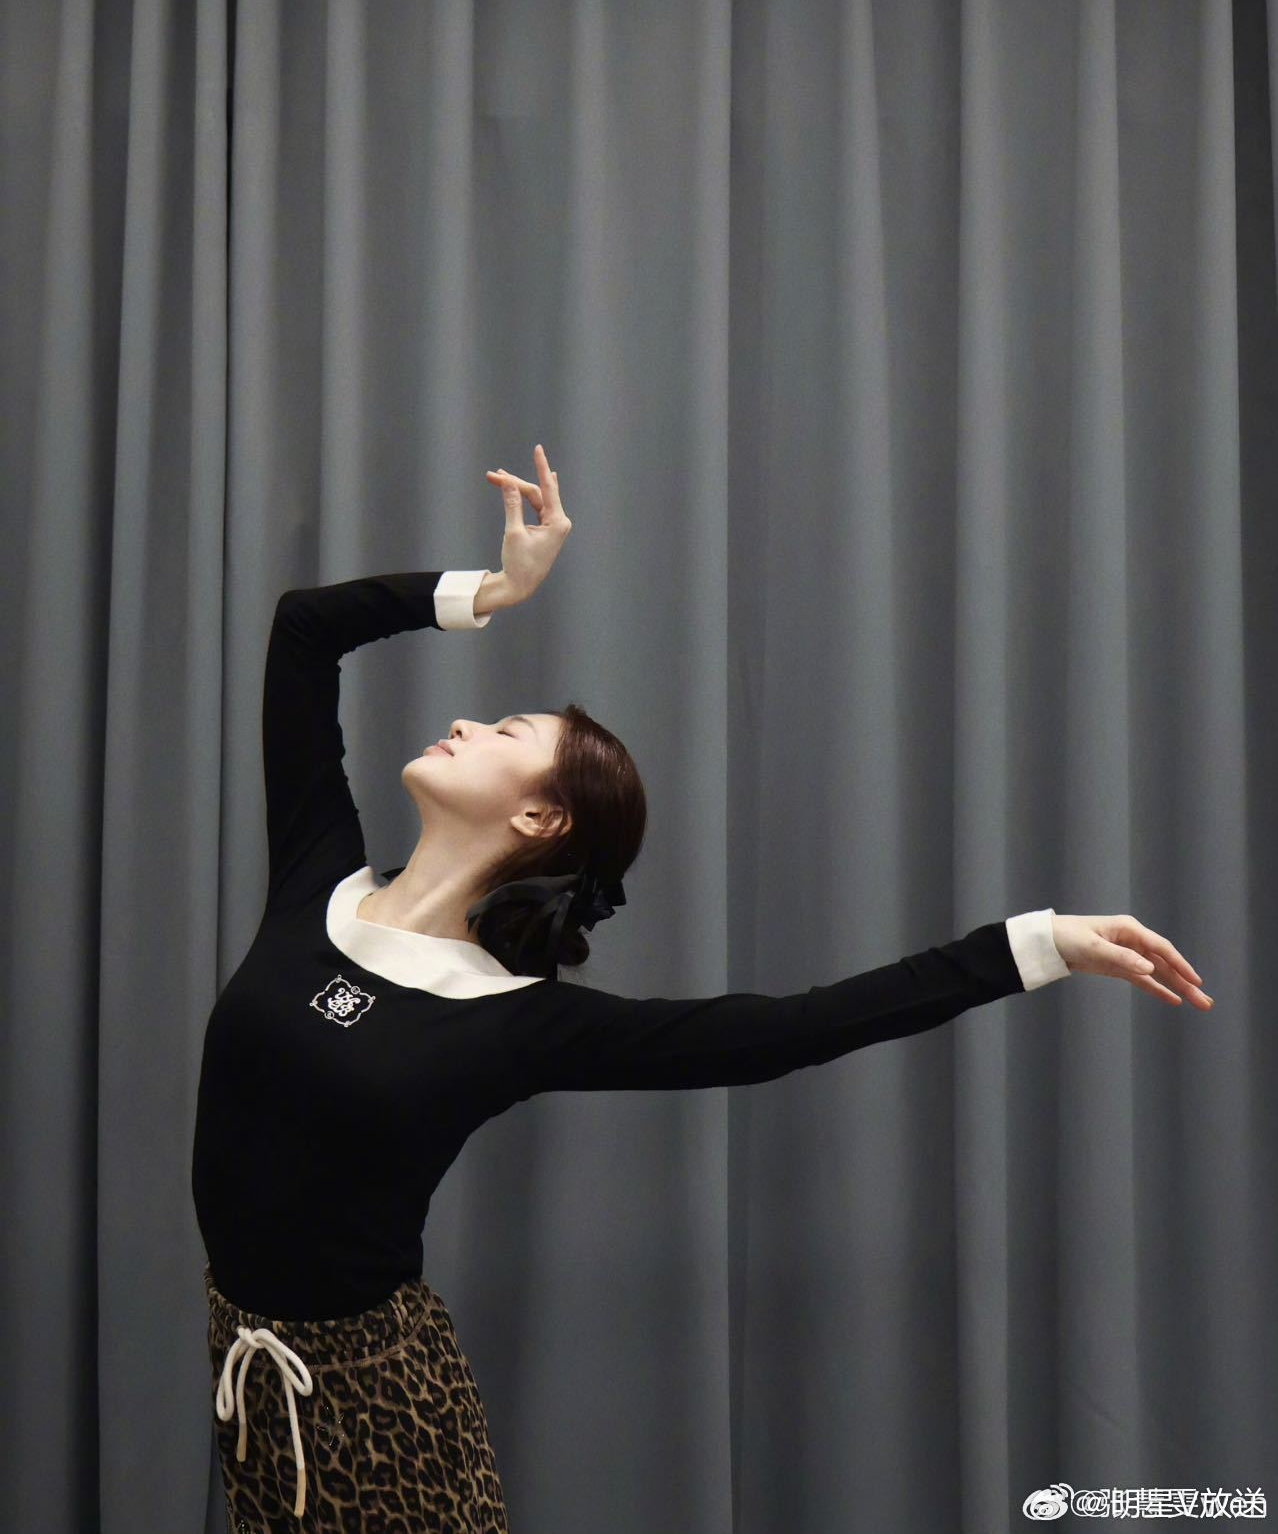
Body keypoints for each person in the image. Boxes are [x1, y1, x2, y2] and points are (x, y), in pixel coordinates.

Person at [191, 443, 1210, 1533]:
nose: (466, 724)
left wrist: (1034, 944)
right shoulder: (318, 880)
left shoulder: (511, 1020)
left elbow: (788, 1030)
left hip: (386, 1409)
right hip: (248, 1387)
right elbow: (305, 628)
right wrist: (492, 591)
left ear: (539, 817)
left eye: (506, 731)